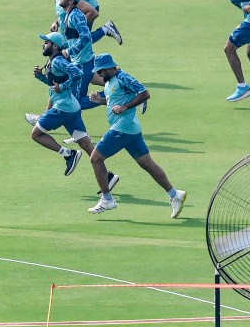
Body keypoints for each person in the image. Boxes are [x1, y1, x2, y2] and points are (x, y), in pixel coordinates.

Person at [86, 54, 186, 218]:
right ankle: (175, 195)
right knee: (147, 164)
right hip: (131, 129)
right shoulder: (109, 82)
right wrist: (101, 101)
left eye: (100, 71)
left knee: (95, 158)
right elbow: (115, 100)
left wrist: (125, 107)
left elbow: (144, 93)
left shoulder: (122, 77)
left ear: (107, 67)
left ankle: (107, 199)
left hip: (122, 128)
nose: (99, 74)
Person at [29, 33, 120, 193]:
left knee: (36, 134)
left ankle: (68, 154)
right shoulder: (52, 61)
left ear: (55, 46)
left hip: (63, 108)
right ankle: (107, 177)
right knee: (85, 143)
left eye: (46, 42)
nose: (43, 45)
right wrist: (41, 78)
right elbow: (54, 84)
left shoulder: (58, 61)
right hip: (72, 107)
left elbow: (77, 74)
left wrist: (62, 87)